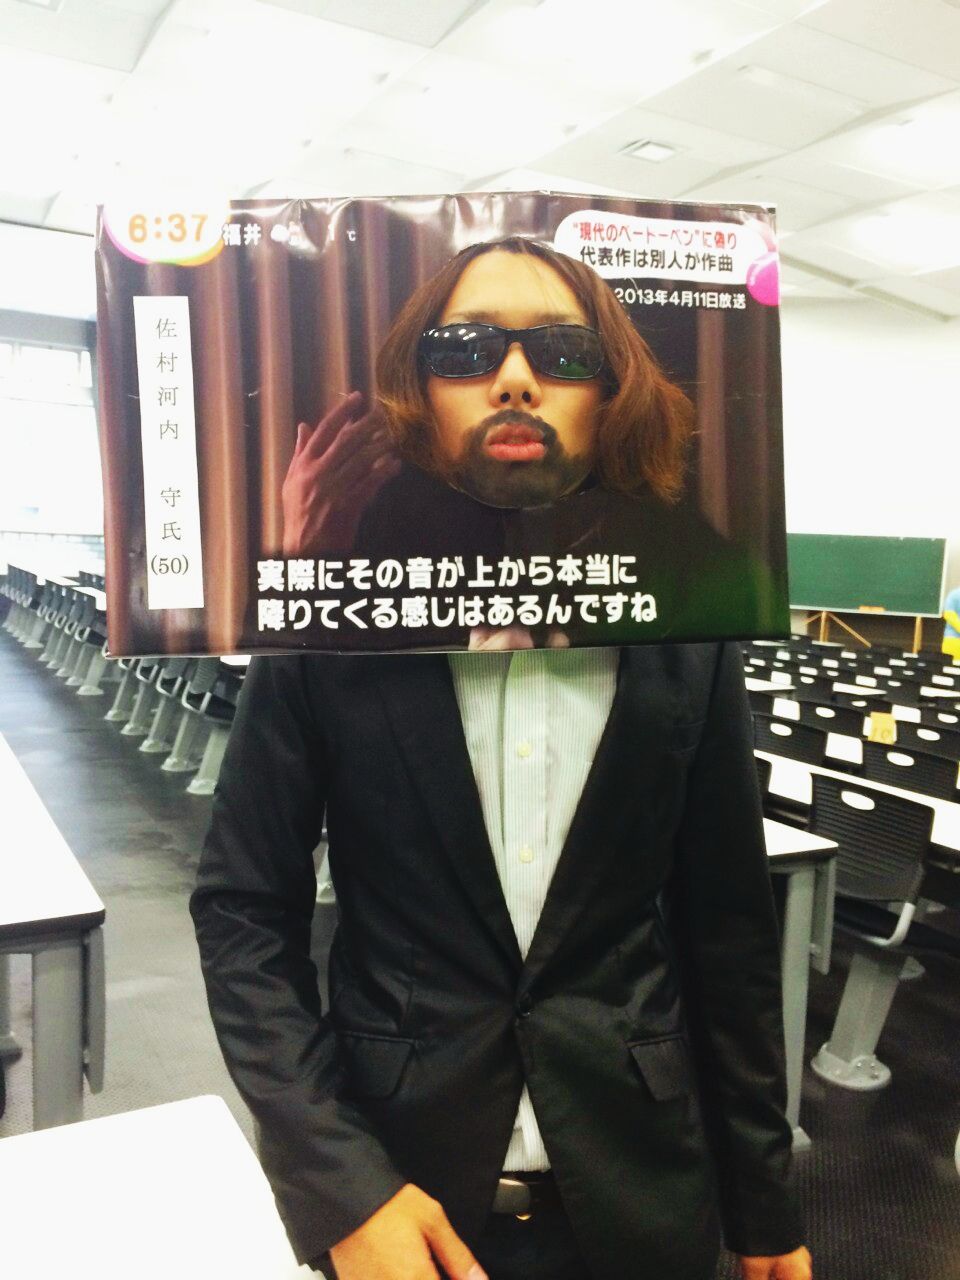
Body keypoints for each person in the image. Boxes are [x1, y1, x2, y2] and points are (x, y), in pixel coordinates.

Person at [192, 238, 811, 1279]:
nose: (516, 378)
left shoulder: (692, 621)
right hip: (400, 1201)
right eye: (467, 349)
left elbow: (730, 929)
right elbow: (244, 909)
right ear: (420, 395)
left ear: (610, 394)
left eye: (563, 352)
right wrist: (338, 1183)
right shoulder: (331, 616)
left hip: (645, 1197)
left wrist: (765, 1205)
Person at [942, 585, 960, 662]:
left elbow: (948, 615)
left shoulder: (953, 594)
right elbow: (949, 615)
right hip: (954, 641)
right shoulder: (955, 595)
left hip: (952, 640)